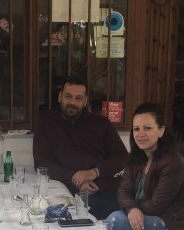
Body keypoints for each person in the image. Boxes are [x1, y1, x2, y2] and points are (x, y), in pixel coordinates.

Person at [105, 103, 184, 230]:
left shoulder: (173, 163)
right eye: (136, 129)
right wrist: (131, 208)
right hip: (146, 219)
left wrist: (133, 209)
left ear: (161, 130)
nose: (140, 134)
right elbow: (123, 190)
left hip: (172, 226)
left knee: (114, 221)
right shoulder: (137, 157)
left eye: (147, 128)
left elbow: (156, 205)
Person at [33, 76, 128, 220]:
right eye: (68, 96)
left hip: (105, 190)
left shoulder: (101, 124)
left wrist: (95, 172)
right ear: (60, 97)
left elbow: (121, 157)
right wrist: (74, 178)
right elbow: (42, 163)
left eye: (78, 98)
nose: (72, 102)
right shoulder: (46, 123)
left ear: (85, 101)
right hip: (66, 193)